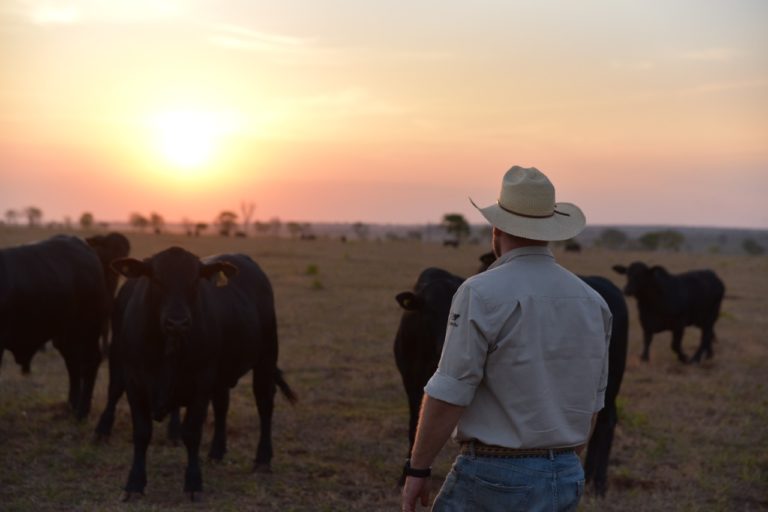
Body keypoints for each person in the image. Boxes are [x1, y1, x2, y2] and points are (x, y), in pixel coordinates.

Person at [401, 165, 612, 512]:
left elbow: (450, 390)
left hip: (495, 475)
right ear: (550, 230)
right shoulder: (593, 301)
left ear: (496, 229)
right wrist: (557, 462)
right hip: (567, 473)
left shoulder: (480, 292)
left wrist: (417, 468)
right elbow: (593, 403)